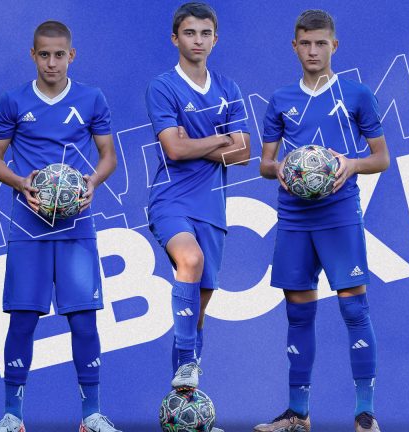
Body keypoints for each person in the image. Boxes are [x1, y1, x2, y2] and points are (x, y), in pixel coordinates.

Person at [254, 9, 390, 432]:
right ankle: (298, 414)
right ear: (294, 46)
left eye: (321, 43)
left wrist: (351, 164)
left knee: (354, 307)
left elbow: (382, 158)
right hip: (294, 216)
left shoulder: (356, 95)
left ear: (335, 45)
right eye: (305, 44)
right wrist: (283, 168)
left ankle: (365, 414)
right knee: (298, 314)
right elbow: (264, 164)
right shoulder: (280, 99)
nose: (313, 51)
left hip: (339, 214)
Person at [0, 20, 121, 432]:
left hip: (76, 227)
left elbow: (108, 156)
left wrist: (93, 183)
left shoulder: (91, 98)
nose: (51, 62)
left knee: (84, 320)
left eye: (59, 54)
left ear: (71, 56)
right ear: (32, 55)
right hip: (29, 228)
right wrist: (20, 182)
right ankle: (12, 416)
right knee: (23, 319)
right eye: (43, 54)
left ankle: (91, 416)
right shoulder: (13, 101)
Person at [145, 2, 251, 393]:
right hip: (171, 200)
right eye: (190, 33)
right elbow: (174, 149)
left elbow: (244, 152)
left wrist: (197, 142)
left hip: (212, 209)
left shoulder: (228, 89)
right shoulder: (162, 87)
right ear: (175, 39)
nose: (198, 41)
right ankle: (188, 363)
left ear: (215, 39)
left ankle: (183, 391)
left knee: (198, 308)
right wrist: (221, 139)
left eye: (205, 34)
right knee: (190, 259)